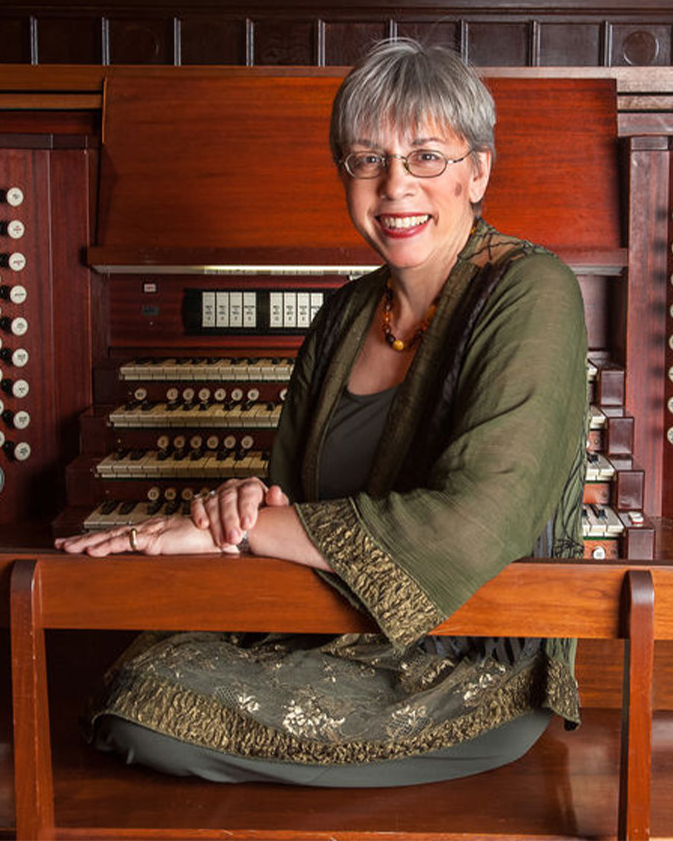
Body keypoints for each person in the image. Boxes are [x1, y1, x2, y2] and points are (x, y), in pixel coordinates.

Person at [56, 38, 588, 787]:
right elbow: (289, 502)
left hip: (467, 658)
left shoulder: (533, 292)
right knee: (133, 678)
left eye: (427, 157)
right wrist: (240, 512)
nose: (395, 187)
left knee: (146, 711)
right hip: (324, 623)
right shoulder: (342, 316)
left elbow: (476, 523)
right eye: (368, 160)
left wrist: (244, 531)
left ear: (479, 171)